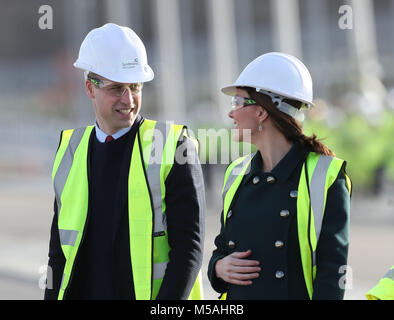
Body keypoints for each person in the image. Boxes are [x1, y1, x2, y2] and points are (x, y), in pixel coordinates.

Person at [44, 23, 205, 300]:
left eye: (135, 86)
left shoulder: (172, 144)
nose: (128, 99)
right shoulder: (71, 150)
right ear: (90, 88)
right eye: (117, 88)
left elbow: (188, 251)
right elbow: (58, 253)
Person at [207, 52, 352, 300]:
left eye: (237, 103)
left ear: (262, 112)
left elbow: (332, 272)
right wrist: (218, 268)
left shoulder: (325, 175)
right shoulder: (236, 173)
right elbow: (222, 248)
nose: (231, 114)